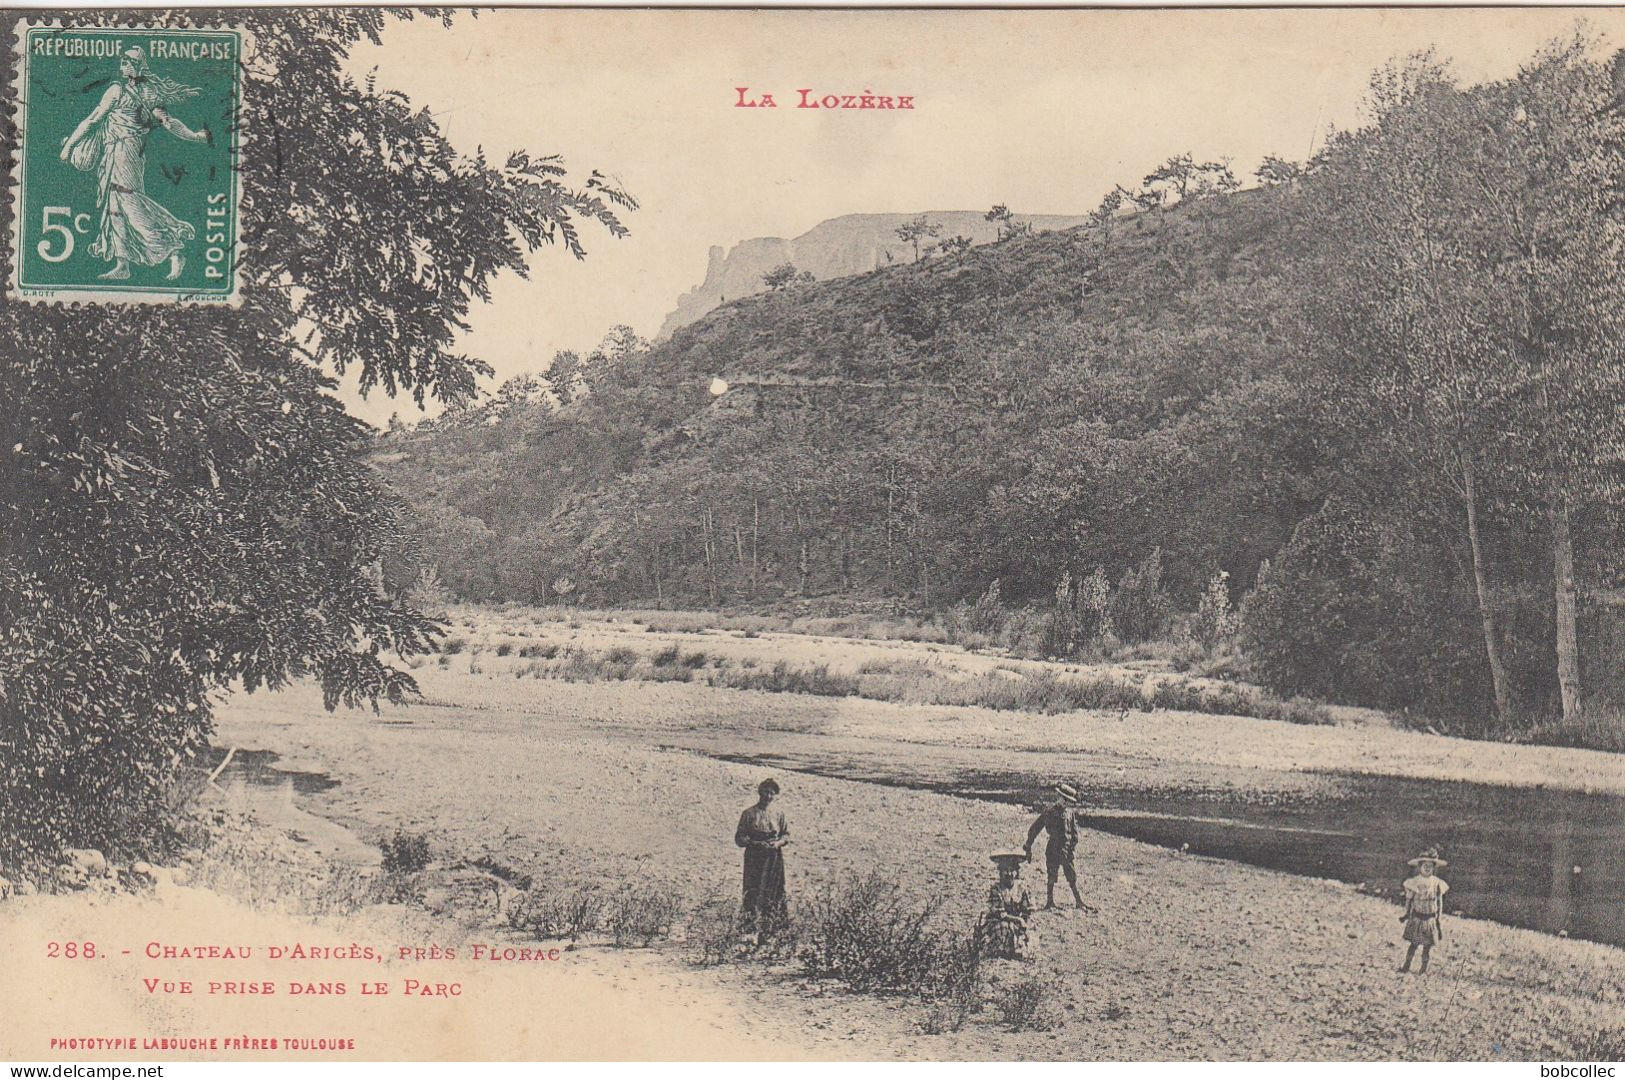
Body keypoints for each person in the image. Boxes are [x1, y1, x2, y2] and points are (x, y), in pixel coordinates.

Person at [58, 47, 210, 281]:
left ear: (138, 65)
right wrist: (195, 136)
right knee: (115, 208)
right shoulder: (141, 91)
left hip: (125, 154)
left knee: (130, 204)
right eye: (122, 61)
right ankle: (123, 264)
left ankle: (173, 247)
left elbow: (93, 120)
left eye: (127, 62)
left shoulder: (122, 91)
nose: (122, 66)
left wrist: (69, 147)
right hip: (117, 154)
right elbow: (168, 122)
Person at [735, 777, 789, 943]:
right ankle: (749, 929)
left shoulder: (779, 814)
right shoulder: (749, 814)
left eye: (772, 793)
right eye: (765, 792)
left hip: (773, 857)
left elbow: (786, 835)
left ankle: (774, 929)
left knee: (775, 890)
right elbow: (739, 838)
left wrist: (777, 843)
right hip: (754, 857)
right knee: (753, 890)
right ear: (759, 792)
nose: (768, 796)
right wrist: (754, 842)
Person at [1025, 782, 1088, 910]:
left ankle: (1079, 901)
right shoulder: (1049, 812)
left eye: (1068, 800)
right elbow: (1036, 828)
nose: (1065, 802)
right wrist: (1028, 844)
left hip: (1066, 849)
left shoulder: (1070, 813)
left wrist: (1072, 846)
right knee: (1051, 874)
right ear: (1058, 797)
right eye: (1063, 799)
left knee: (1071, 875)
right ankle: (1050, 901)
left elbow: (1074, 832)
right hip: (1053, 847)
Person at [1399, 848, 1450, 974]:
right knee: (1413, 944)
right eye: (1424, 866)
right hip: (1417, 917)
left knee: (1427, 947)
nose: (1427, 868)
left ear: (1434, 868)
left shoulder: (1437, 882)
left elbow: (1439, 901)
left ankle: (1423, 969)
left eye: (1430, 866)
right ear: (1420, 867)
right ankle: (1406, 965)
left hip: (1430, 918)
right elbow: (1409, 900)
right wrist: (1406, 913)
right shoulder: (1414, 881)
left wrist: (1439, 917)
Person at [977, 851, 1036, 960]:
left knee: (1028, 934)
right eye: (1005, 870)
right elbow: (1000, 914)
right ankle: (1000, 952)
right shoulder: (996, 889)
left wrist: (1025, 923)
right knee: (1004, 927)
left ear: (1017, 872)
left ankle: (1022, 951)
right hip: (999, 922)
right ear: (1000, 872)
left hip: (1019, 923)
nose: (1009, 874)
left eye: (1012, 870)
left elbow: (1028, 910)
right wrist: (1018, 920)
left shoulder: (1022, 888)